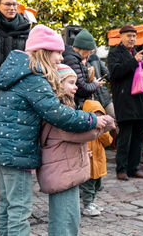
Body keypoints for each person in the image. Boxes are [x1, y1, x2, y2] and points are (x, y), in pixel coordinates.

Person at [0, 24, 108, 236]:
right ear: (45, 51)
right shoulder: (33, 78)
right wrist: (93, 120)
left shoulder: (16, 72)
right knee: (19, 208)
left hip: (3, 149)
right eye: (58, 52)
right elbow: (57, 113)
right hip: (18, 153)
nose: (61, 58)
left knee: (7, 206)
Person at [37, 64, 115, 235]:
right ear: (57, 84)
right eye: (71, 83)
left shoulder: (63, 108)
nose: (76, 87)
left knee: (70, 218)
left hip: (67, 171)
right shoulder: (59, 111)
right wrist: (104, 124)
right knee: (65, 221)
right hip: (62, 173)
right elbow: (76, 134)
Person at [107, 25, 143, 181]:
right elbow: (115, 73)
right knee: (124, 138)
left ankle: (134, 168)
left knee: (138, 138)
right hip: (125, 101)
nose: (132, 39)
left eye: (134, 36)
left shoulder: (137, 53)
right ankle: (121, 170)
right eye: (129, 36)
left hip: (140, 102)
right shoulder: (115, 54)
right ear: (121, 37)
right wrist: (134, 61)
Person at [0, 0, 30, 102]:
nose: (12, 8)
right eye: (8, 4)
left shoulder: (25, 28)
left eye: (14, 4)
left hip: (16, 88)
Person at [80, 99, 113, 216]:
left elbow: (108, 142)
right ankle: (87, 205)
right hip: (88, 164)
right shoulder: (85, 131)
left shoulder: (101, 131)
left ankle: (92, 202)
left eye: (100, 115)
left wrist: (104, 131)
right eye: (95, 115)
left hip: (98, 164)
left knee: (97, 185)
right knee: (88, 187)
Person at [62, 28, 104, 109]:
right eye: (90, 52)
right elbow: (81, 88)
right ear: (85, 49)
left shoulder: (74, 58)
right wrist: (95, 84)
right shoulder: (72, 60)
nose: (89, 55)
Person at [88, 53, 115, 120]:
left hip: (105, 97)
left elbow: (107, 74)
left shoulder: (94, 57)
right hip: (92, 101)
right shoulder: (77, 61)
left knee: (116, 118)